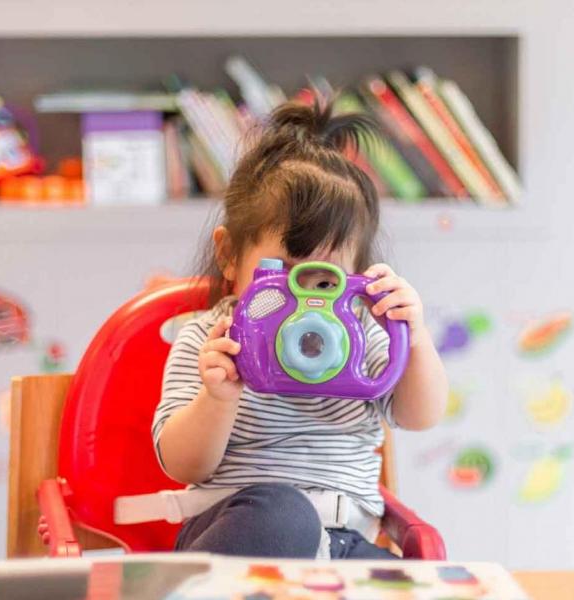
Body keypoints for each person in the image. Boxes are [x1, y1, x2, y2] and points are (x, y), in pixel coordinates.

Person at [152, 99, 448, 559]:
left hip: (344, 542)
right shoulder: (211, 339)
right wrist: (217, 398)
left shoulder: (359, 334)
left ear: (357, 278)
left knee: (412, 585)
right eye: (283, 276)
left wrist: (414, 336)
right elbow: (182, 465)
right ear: (229, 255)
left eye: (325, 282)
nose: (304, 304)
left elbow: (420, 416)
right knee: (284, 515)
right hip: (244, 534)